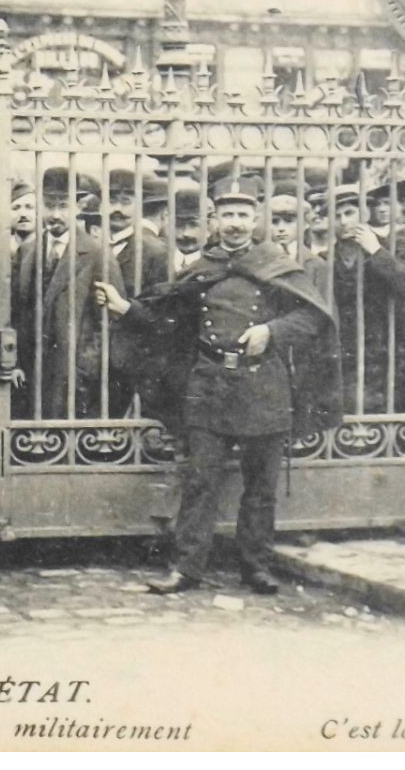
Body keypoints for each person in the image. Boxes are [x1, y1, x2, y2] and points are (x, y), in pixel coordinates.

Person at [96, 175, 336, 595]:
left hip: (264, 386)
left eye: (243, 215)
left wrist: (271, 332)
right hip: (209, 385)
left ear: (255, 219)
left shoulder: (276, 264)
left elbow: (313, 318)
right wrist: (126, 310)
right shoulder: (200, 269)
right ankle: (186, 569)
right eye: (228, 215)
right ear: (215, 220)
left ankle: (255, 566)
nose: (235, 223)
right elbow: (167, 322)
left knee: (260, 487)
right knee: (200, 481)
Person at [10, 168, 125, 420]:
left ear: (77, 207)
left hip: (73, 376)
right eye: (49, 205)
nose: (55, 214)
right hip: (31, 372)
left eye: (62, 206)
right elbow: (18, 311)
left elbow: (110, 322)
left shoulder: (97, 254)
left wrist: (85, 367)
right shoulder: (28, 251)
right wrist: (17, 361)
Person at [326, 186, 405, 415]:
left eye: (349, 213)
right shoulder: (326, 257)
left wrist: (376, 250)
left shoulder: (394, 245)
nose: (343, 222)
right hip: (346, 346)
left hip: (385, 344)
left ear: (364, 214)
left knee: (384, 410)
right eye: (337, 216)